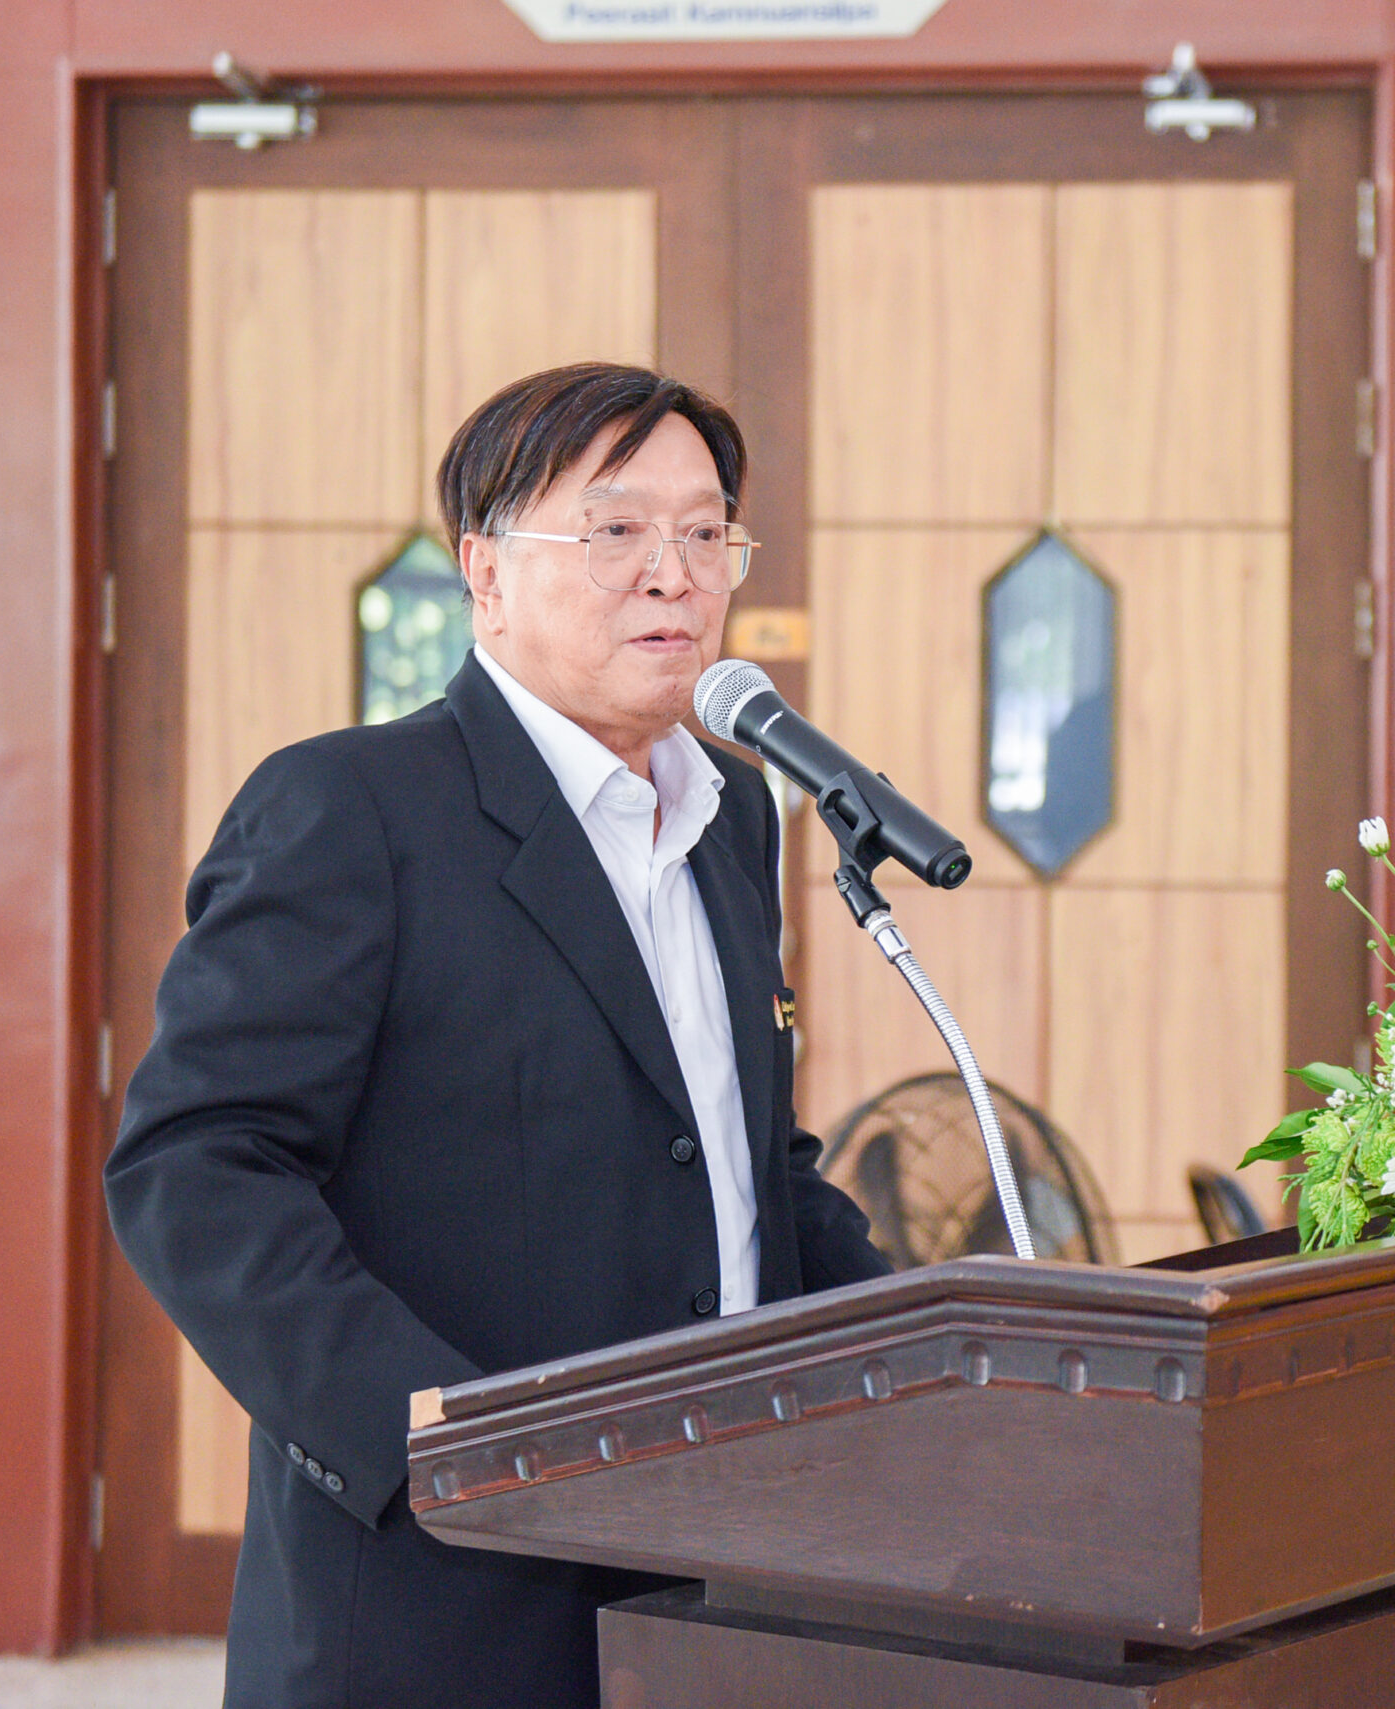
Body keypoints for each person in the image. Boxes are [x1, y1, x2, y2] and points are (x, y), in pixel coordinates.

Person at [105, 363, 892, 1709]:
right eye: (616, 530)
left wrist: (940, 1342)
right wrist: (446, 1447)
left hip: (711, 1578)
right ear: (485, 572)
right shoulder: (351, 809)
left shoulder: (734, 819)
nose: (673, 574)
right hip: (444, 1597)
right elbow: (195, 1169)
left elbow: (740, 1154)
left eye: (706, 533)